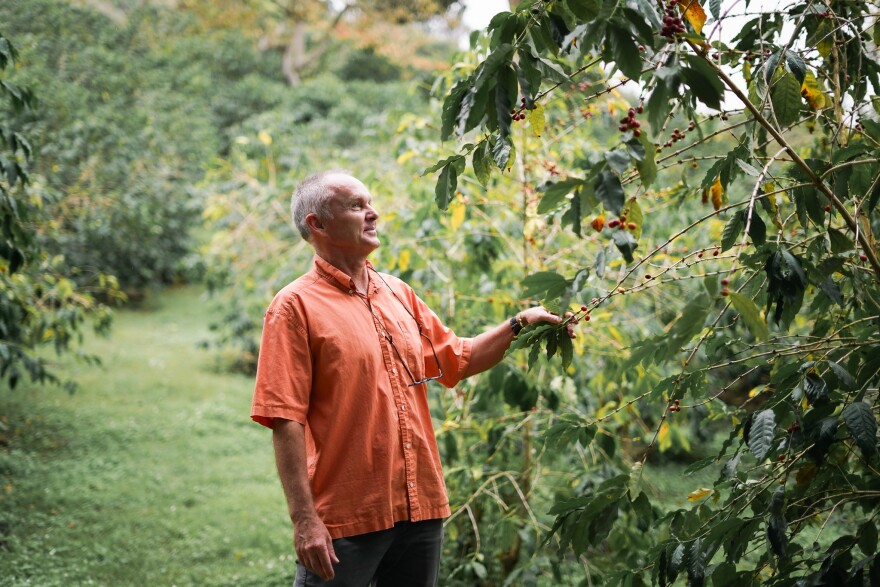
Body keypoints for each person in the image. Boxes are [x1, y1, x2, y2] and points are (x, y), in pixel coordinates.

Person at [251, 171, 577, 586]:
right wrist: (304, 521)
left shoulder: (397, 293)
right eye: (356, 206)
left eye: (369, 203)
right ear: (317, 224)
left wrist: (520, 322)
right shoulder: (294, 307)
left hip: (421, 508)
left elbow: (459, 359)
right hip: (348, 517)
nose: (373, 214)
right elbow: (284, 419)